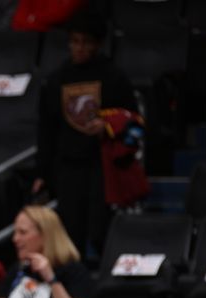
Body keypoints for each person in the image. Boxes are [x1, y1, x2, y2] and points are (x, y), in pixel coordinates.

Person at [36, 8, 138, 260]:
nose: (80, 48)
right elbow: (47, 129)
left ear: (98, 44)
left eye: (86, 42)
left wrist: (108, 125)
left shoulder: (113, 76)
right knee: (70, 228)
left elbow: (132, 118)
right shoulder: (57, 79)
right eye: (75, 42)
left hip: (103, 164)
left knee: (101, 227)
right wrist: (42, 172)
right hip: (68, 164)